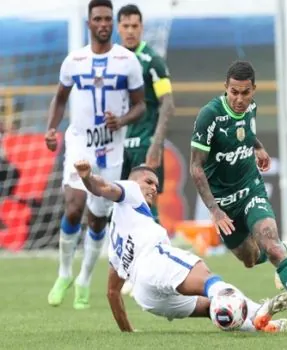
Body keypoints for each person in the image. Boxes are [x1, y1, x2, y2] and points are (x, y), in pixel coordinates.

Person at [73, 159, 287, 333]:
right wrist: (88, 178)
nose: (153, 188)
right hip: (154, 261)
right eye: (149, 182)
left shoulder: (116, 241)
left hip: (146, 297)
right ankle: (258, 310)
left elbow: (112, 292)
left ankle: (260, 326)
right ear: (133, 181)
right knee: (209, 280)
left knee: (209, 306)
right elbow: (102, 187)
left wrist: (128, 332)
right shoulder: (129, 189)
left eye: (156, 186)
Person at [189, 60, 287, 335]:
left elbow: (246, 133)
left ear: (254, 90)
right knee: (249, 259)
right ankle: (280, 252)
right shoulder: (209, 116)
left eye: (245, 93)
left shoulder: (251, 109)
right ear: (226, 88)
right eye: (234, 92)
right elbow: (196, 167)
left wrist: (258, 148)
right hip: (223, 203)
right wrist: (215, 210)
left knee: (270, 245)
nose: (239, 99)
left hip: (250, 190)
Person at [45, 0, 146, 310]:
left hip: (111, 150)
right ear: (89, 23)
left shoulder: (128, 61)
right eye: (97, 19)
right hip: (79, 145)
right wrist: (51, 129)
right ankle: (64, 274)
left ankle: (85, 278)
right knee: (74, 208)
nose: (102, 23)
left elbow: (141, 106)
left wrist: (122, 120)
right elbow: (60, 99)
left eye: (106, 19)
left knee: (98, 219)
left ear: (111, 23)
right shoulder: (73, 60)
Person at [117, 4, 175, 224]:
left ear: (141, 28)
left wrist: (156, 144)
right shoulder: (114, 60)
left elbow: (168, 104)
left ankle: (159, 251)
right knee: (117, 203)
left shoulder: (152, 62)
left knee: (147, 203)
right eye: (126, 26)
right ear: (118, 28)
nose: (130, 30)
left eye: (135, 26)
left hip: (144, 142)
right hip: (117, 145)